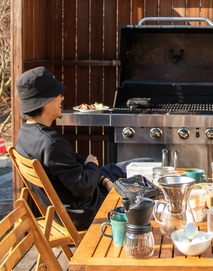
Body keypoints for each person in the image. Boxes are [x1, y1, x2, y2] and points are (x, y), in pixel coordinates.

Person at [14, 66, 145, 230]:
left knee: (141, 163)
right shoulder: (50, 143)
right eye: (57, 94)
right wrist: (92, 165)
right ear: (45, 102)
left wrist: (101, 177)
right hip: (85, 212)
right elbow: (83, 187)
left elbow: (75, 176)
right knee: (144, 181)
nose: (62, 98)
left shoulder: (25, 134)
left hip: (66, 209)